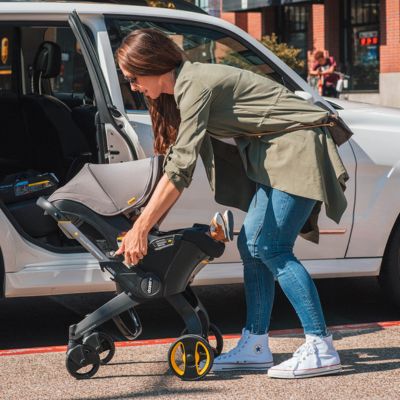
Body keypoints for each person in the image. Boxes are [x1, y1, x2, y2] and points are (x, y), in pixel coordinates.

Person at [114, 29, 349, 379]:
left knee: (272, 246)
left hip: (297, 149)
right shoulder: (185, 86)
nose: (132, 86)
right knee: (251, 244)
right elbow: (176, 162)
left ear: (152, 65)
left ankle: (321, 346)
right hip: (277, 155)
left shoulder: (194, 85)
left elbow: (180, 169)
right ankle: (256, 343)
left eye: (133, 78)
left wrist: (141, 229)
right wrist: (140, 221)